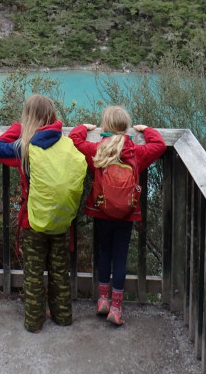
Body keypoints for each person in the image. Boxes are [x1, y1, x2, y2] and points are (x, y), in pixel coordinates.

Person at [69, 105, 166, 326]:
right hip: (127, 214)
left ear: (105, 126)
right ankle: (116, 308)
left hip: (101, 211)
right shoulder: (136, 152)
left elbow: (74, 140)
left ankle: (102, 299)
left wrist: (83, 127)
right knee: (120, 257)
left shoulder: (98, 150)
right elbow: (159, 145)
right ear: (126, 127)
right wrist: (146, 129)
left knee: (104, 252)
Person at [0, 94, 77, 333]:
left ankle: (34, 323)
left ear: (30, 118)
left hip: (33, 221)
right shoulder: (66, 142)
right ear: (53, 116)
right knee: (60, 271)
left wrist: (18, 127)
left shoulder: (25, 147)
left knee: (34, 274)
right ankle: (63, 317)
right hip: (61, 220)